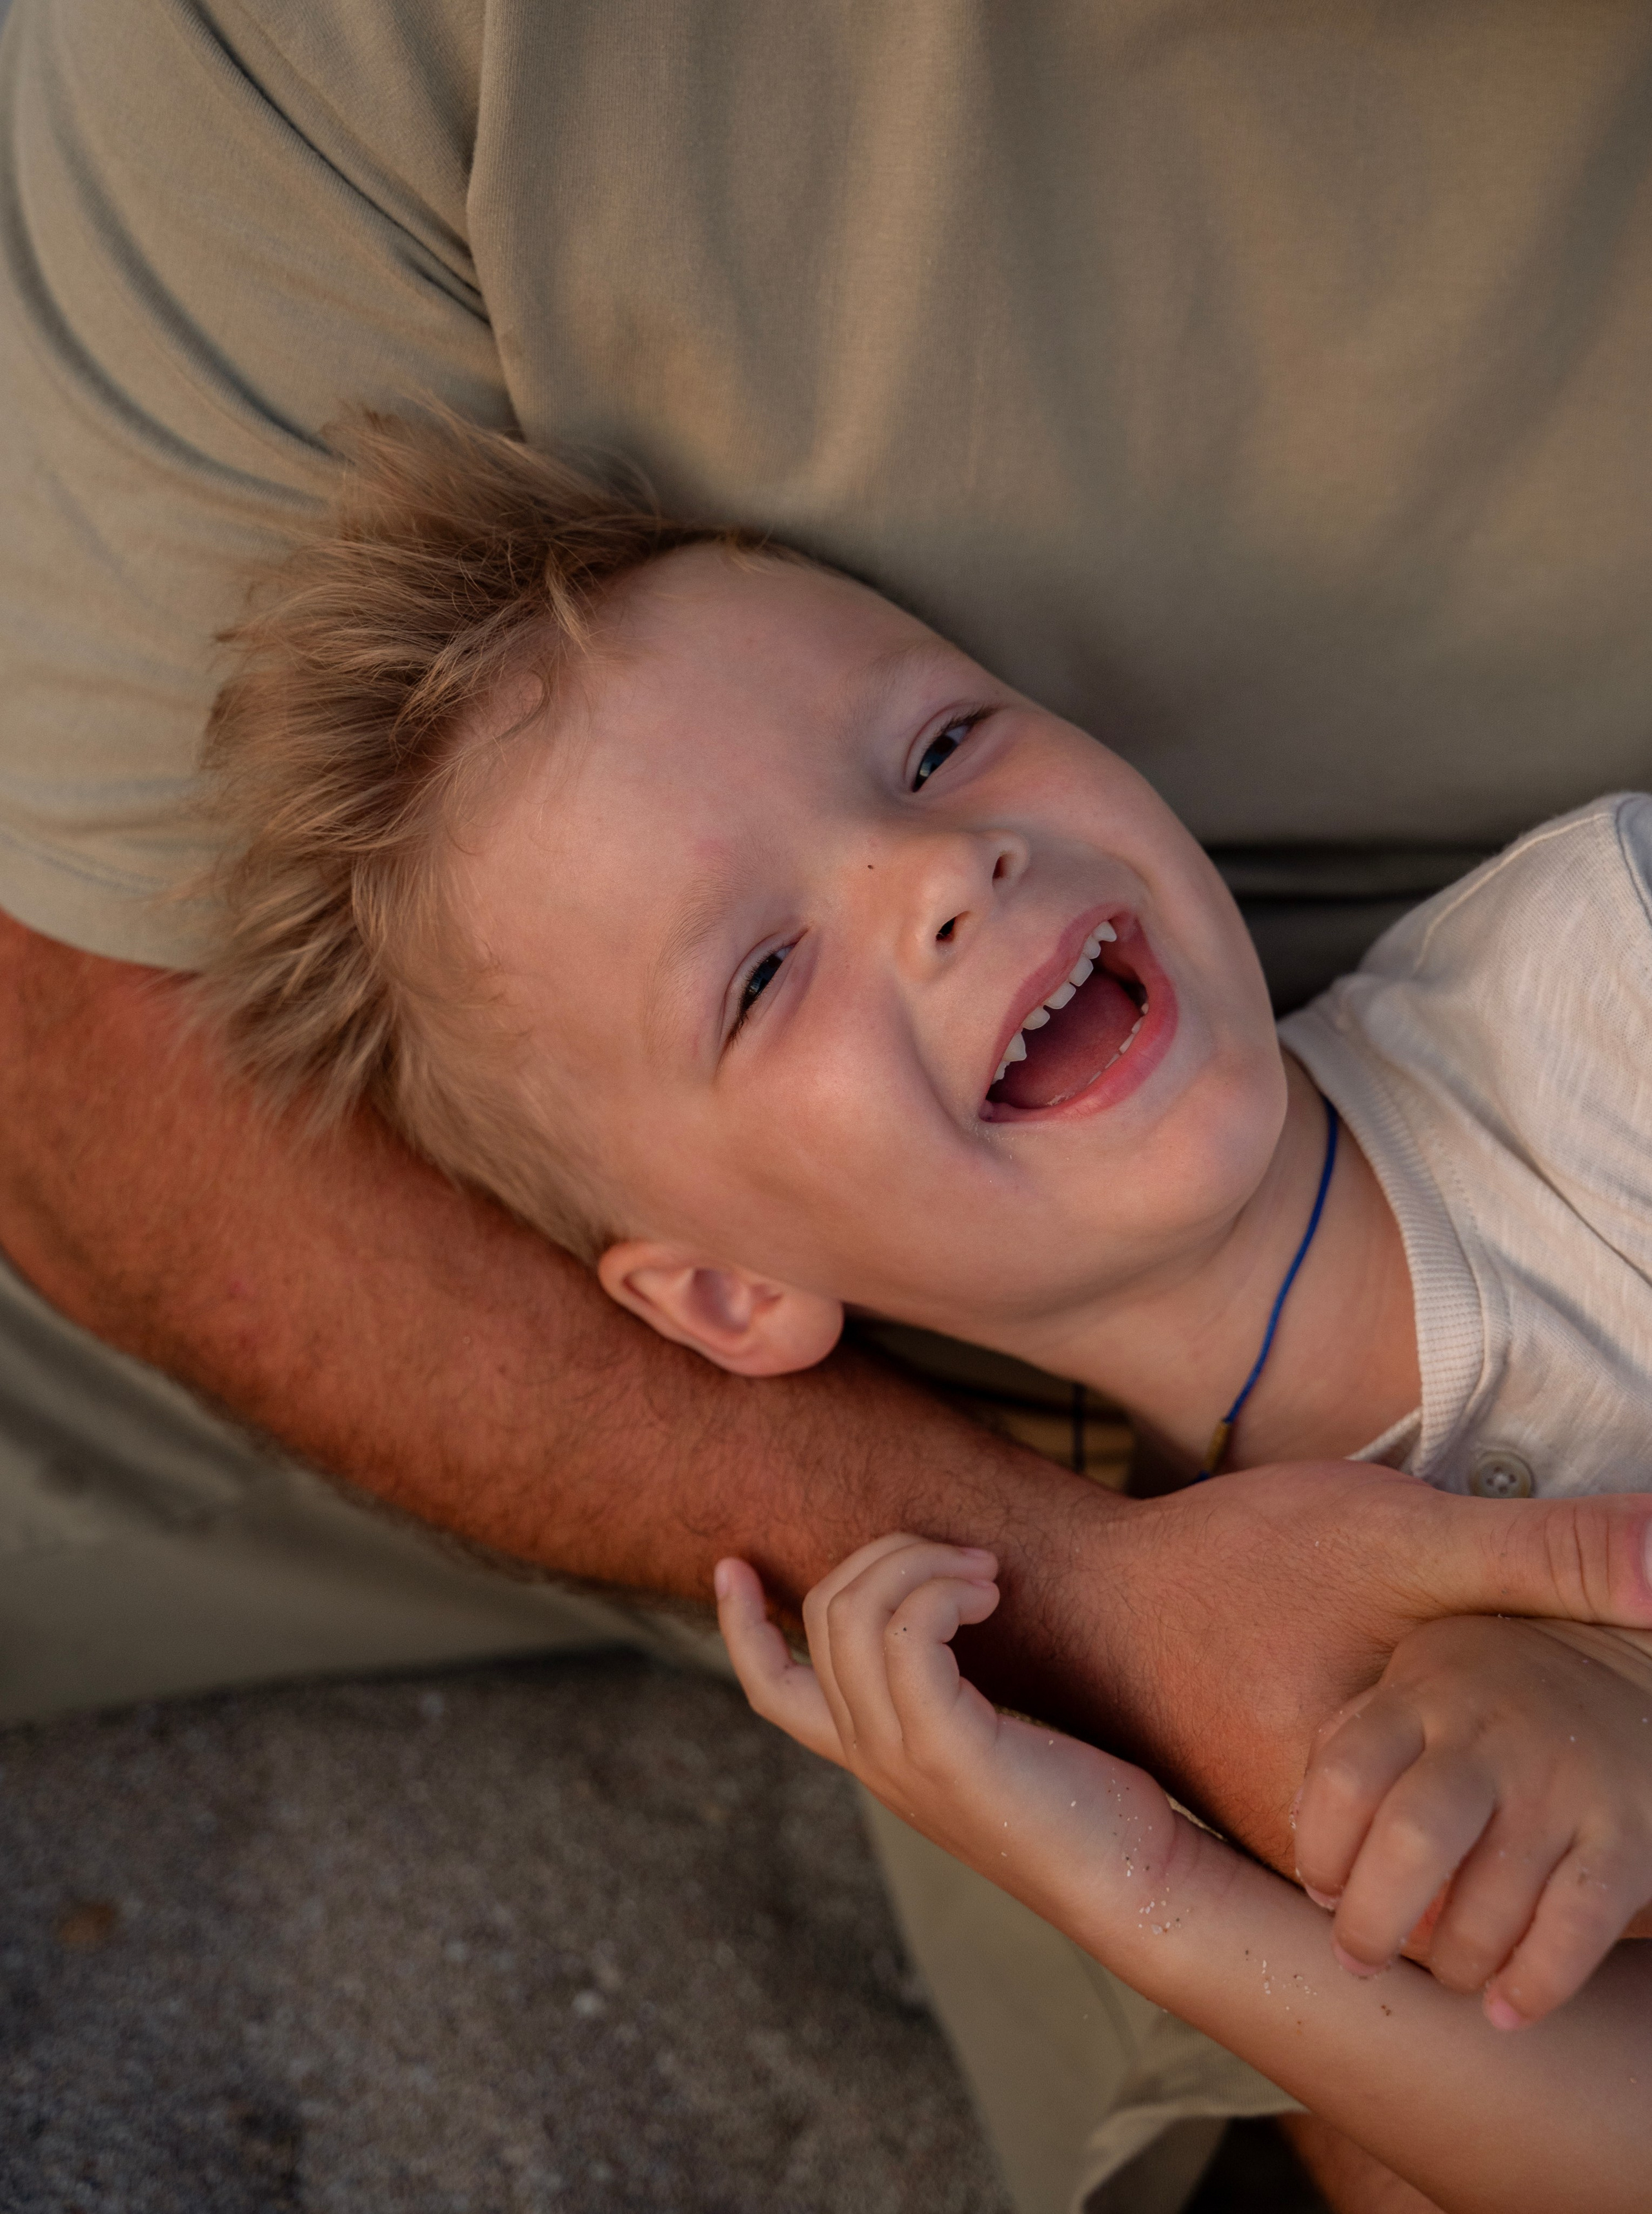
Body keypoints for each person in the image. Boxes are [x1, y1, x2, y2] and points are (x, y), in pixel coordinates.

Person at [7, 5, 1652, 2208]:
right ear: (726, 1299)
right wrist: (1147, 1889)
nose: (934, 876)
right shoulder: (1244, 1652)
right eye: (762, 977)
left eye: (942, 746)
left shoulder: (1602, 996)